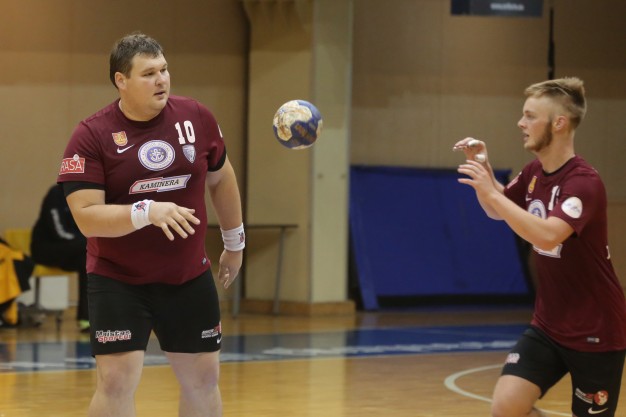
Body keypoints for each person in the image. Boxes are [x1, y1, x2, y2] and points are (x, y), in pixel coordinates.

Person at [57, 32, 244, 417]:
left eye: (164, 70)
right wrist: (145, 211)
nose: (161, 80)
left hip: (187, 276)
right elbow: (86, 216)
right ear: (121, 80)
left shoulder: (197, 117)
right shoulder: (91, 135)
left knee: (203, 380)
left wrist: (234, 242)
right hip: (118, 280)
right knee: (116, 381)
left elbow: (222, 178)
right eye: (148, 74)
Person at [454, 77, 626, 417]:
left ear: (558, 123)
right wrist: (484, 173)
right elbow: (498, 209)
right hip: (548, 325)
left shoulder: (584, 183)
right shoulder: (535, 172)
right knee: (506, 407)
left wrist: (492, 194)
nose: (521, 123)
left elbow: (548, 235)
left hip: (596, 331)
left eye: (530, 116)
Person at [31, 183, 89, 332]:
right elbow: (59, 230)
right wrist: (86, 241)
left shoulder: (85, 195)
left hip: (73, 250)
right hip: (47, 248)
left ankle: (86, 318)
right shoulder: (56, 194)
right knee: (88, 246)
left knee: (89, 262)